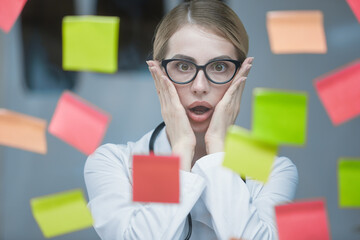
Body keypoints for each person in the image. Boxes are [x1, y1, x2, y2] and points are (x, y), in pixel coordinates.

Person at [84, 0, 298, 239]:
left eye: (219, 66)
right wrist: (181, 151)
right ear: (159, 75)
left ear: (240, 76)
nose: (199, 86)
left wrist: (217, 147)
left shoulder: (273, 170)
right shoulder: (113, 163)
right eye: (183, 66)